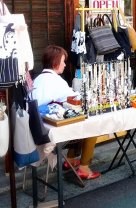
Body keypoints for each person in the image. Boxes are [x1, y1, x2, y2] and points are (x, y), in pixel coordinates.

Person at [32, 45, 100, 180]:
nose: (64, 65)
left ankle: (72, 159)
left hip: (37, 128)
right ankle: (84, 168)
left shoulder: (38, 78)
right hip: (49, 131)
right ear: (54, 63)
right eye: (63, 61)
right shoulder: (55, 80)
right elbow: (76, 97)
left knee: (79, 123)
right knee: (91, 127)